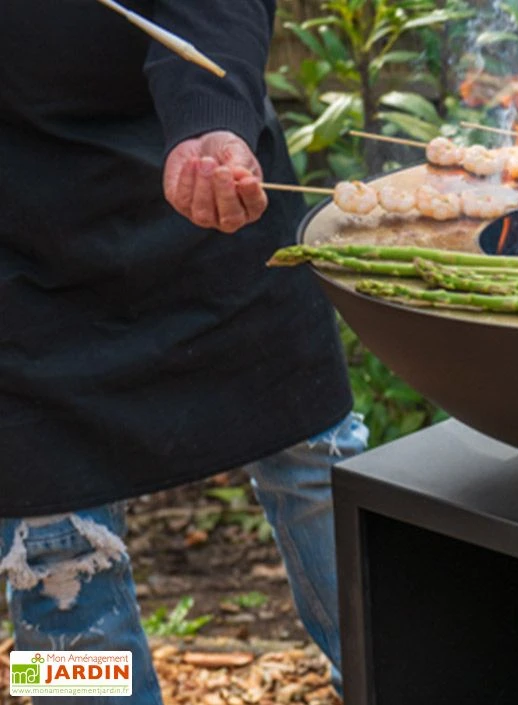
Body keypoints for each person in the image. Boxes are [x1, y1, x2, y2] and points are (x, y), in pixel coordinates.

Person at [0, 1, 362, 702]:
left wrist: (213, 114)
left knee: (326, 471)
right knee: (49, 574)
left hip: (215, 187)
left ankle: (424, 674)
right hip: (18, 260)